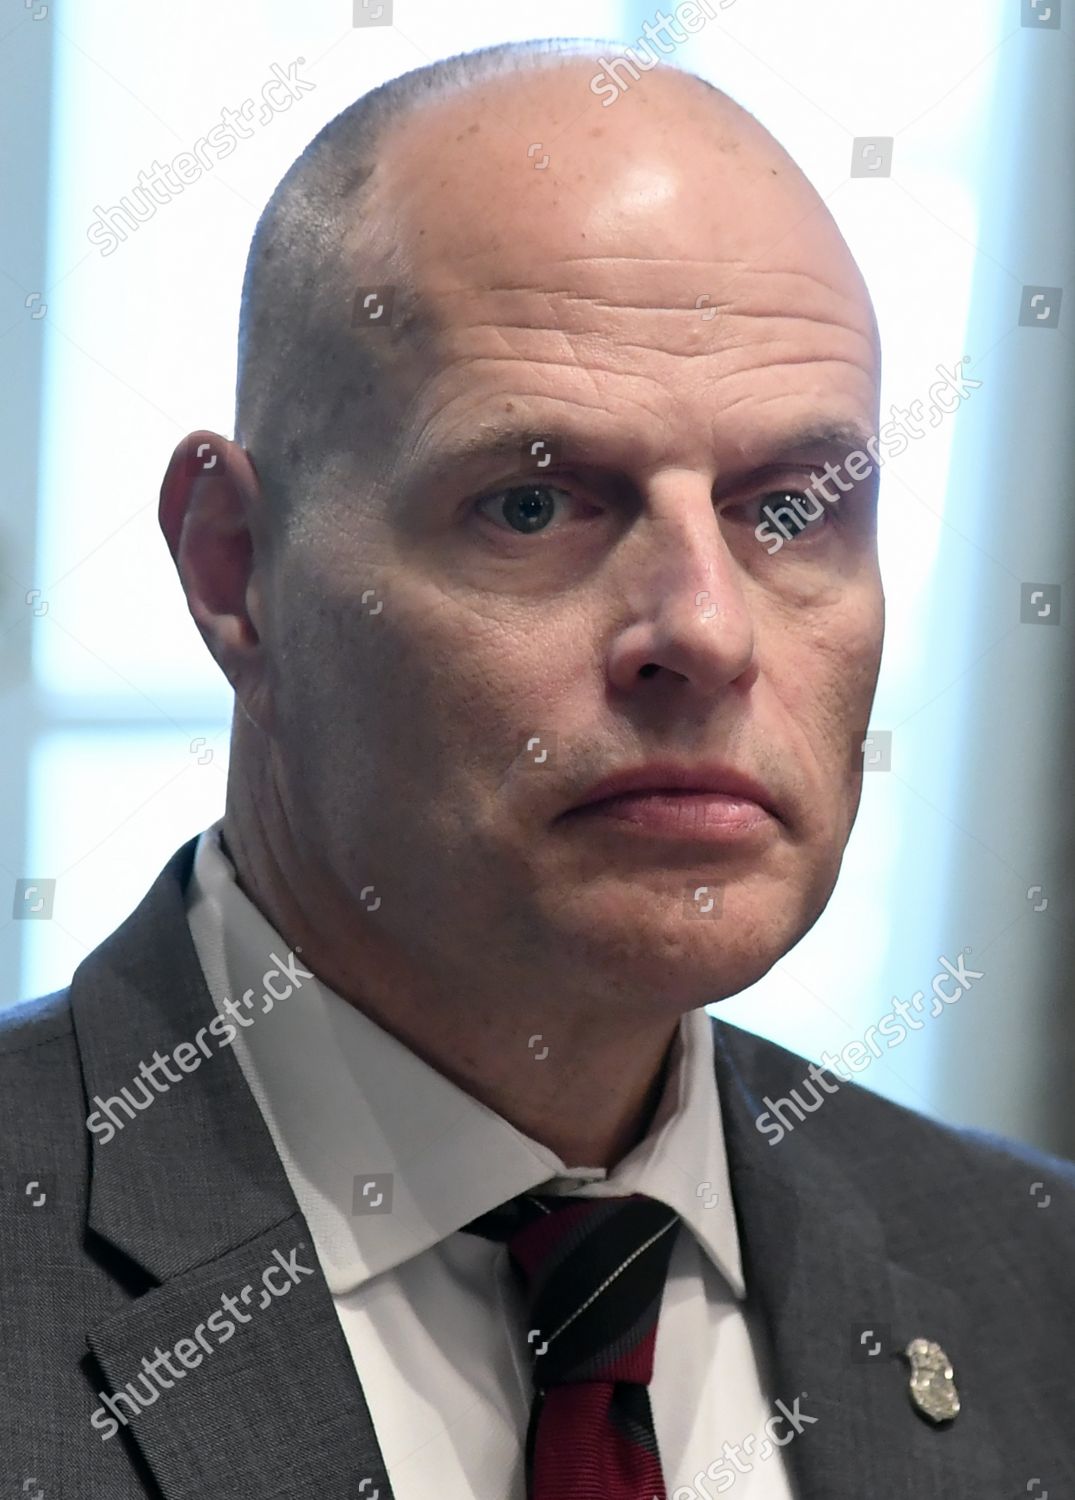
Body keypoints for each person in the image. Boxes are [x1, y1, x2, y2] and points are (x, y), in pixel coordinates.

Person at [2, 36, 1072, 1500]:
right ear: (236, 568)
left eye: (790, 510)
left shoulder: (1035, 1283)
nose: (704, 630)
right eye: (531, 503)